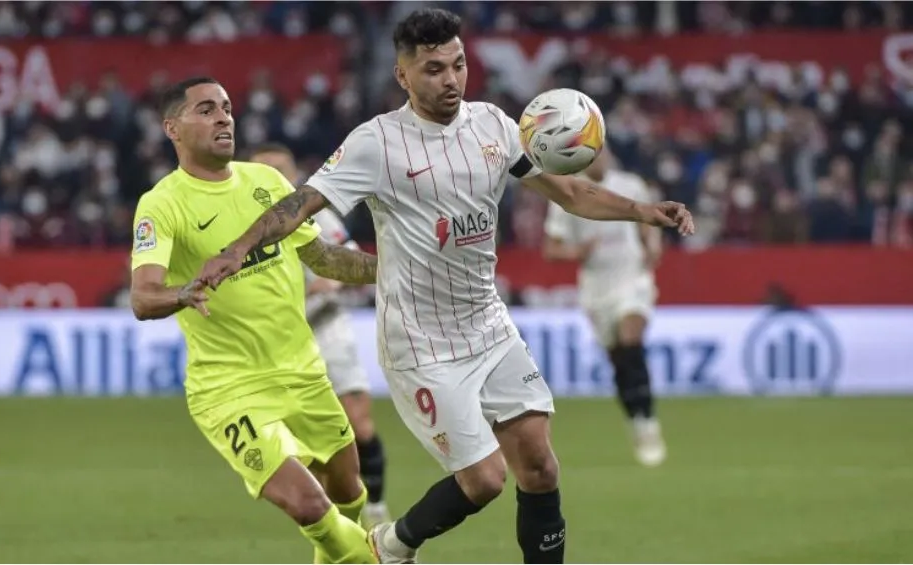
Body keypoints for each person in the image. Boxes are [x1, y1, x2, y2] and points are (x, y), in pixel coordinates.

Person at [194, 9, 694, 564]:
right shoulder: (376, 143)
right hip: (420, 340)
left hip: (487, 322)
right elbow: (300, 204)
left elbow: (571, 193)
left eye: (458, 65)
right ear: (403, 75)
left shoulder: (494, 126)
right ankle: (392, 545)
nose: (451, 79)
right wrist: (236, 249)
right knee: (484, 480)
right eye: (434, 69)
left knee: (539, 465)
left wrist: (643, 211)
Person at [128, 77, 379, 564]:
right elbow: (143, 297)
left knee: (349, 492)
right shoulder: (162, 204)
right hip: (229, 387)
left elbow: (324, 258)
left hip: (303, 371)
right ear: (172, 128)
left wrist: (395, 269)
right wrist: (184, 292)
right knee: (309, 505)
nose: (223, 117)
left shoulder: (267, 182)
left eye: (226, 107)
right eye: (206, 110)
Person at [245, 142, 393, 527]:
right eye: (264, 169)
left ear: (295, 174)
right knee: (307, 442)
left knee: (358, 422)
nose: (274, 177)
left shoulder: (316, 215)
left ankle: (376, 507)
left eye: (280, 169)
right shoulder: (240, 220)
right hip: (278, 342)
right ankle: (333, 520)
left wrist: (332, 283)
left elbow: (346, 255)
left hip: (326, 327)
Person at [543, 147, 667, 467]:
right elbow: (551, 249)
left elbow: (646, 223)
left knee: (631, 336)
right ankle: (635, 418)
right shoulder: (566, 192)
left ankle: (649, 420)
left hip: (632, 277)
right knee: (619, 360)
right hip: (597, 289)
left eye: (603, 152)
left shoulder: (630, 185)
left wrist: (652, 246)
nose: (600, 158)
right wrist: (577, 252)